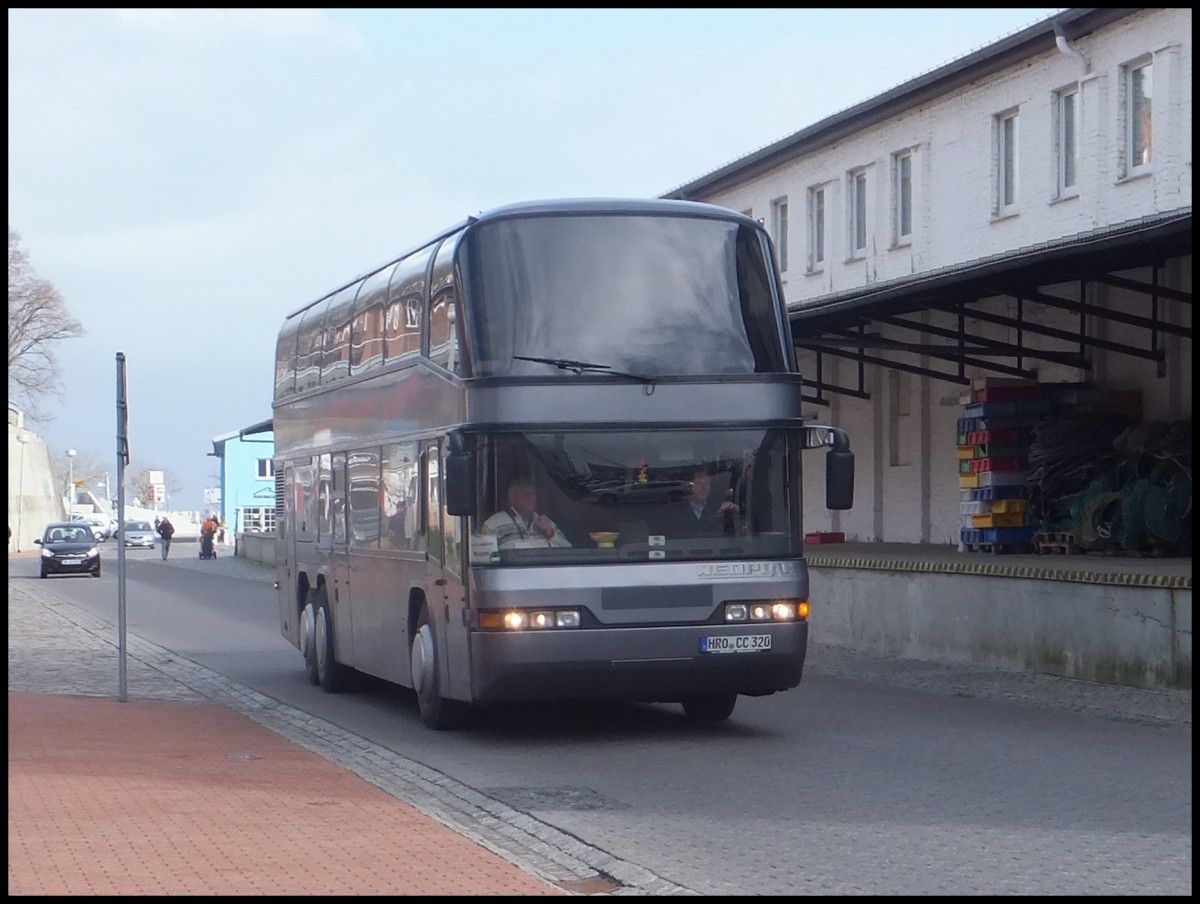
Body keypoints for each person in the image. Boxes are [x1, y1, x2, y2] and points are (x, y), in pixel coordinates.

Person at [480, 477, 572, 549]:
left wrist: (551, 533)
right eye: (527, 494)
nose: (532, 498)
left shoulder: (547, 523)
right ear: (512, 499)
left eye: (534, 494)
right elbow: (484, 554)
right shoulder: (494, 523)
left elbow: (569, 550)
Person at [666, 468, 739, 536]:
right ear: (689, 487)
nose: (703, 488)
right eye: (698, 484)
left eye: (706, 484)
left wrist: (736, 512)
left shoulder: (720, 507)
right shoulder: (676, 509)